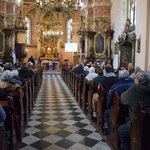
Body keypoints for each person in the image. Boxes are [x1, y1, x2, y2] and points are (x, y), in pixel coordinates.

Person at [118, 71, 150, 150]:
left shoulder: (134, 89)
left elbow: (123, 98)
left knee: (122, 130)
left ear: (138, 81)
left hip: (137, 125)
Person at [104, 69, 134, 136]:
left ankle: (111, 133)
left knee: (107, 113)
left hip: (119, 111)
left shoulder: (115, 86)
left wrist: (109, 106)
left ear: (119, 76)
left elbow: (108, 102)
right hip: (131, 112)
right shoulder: (134, 86)